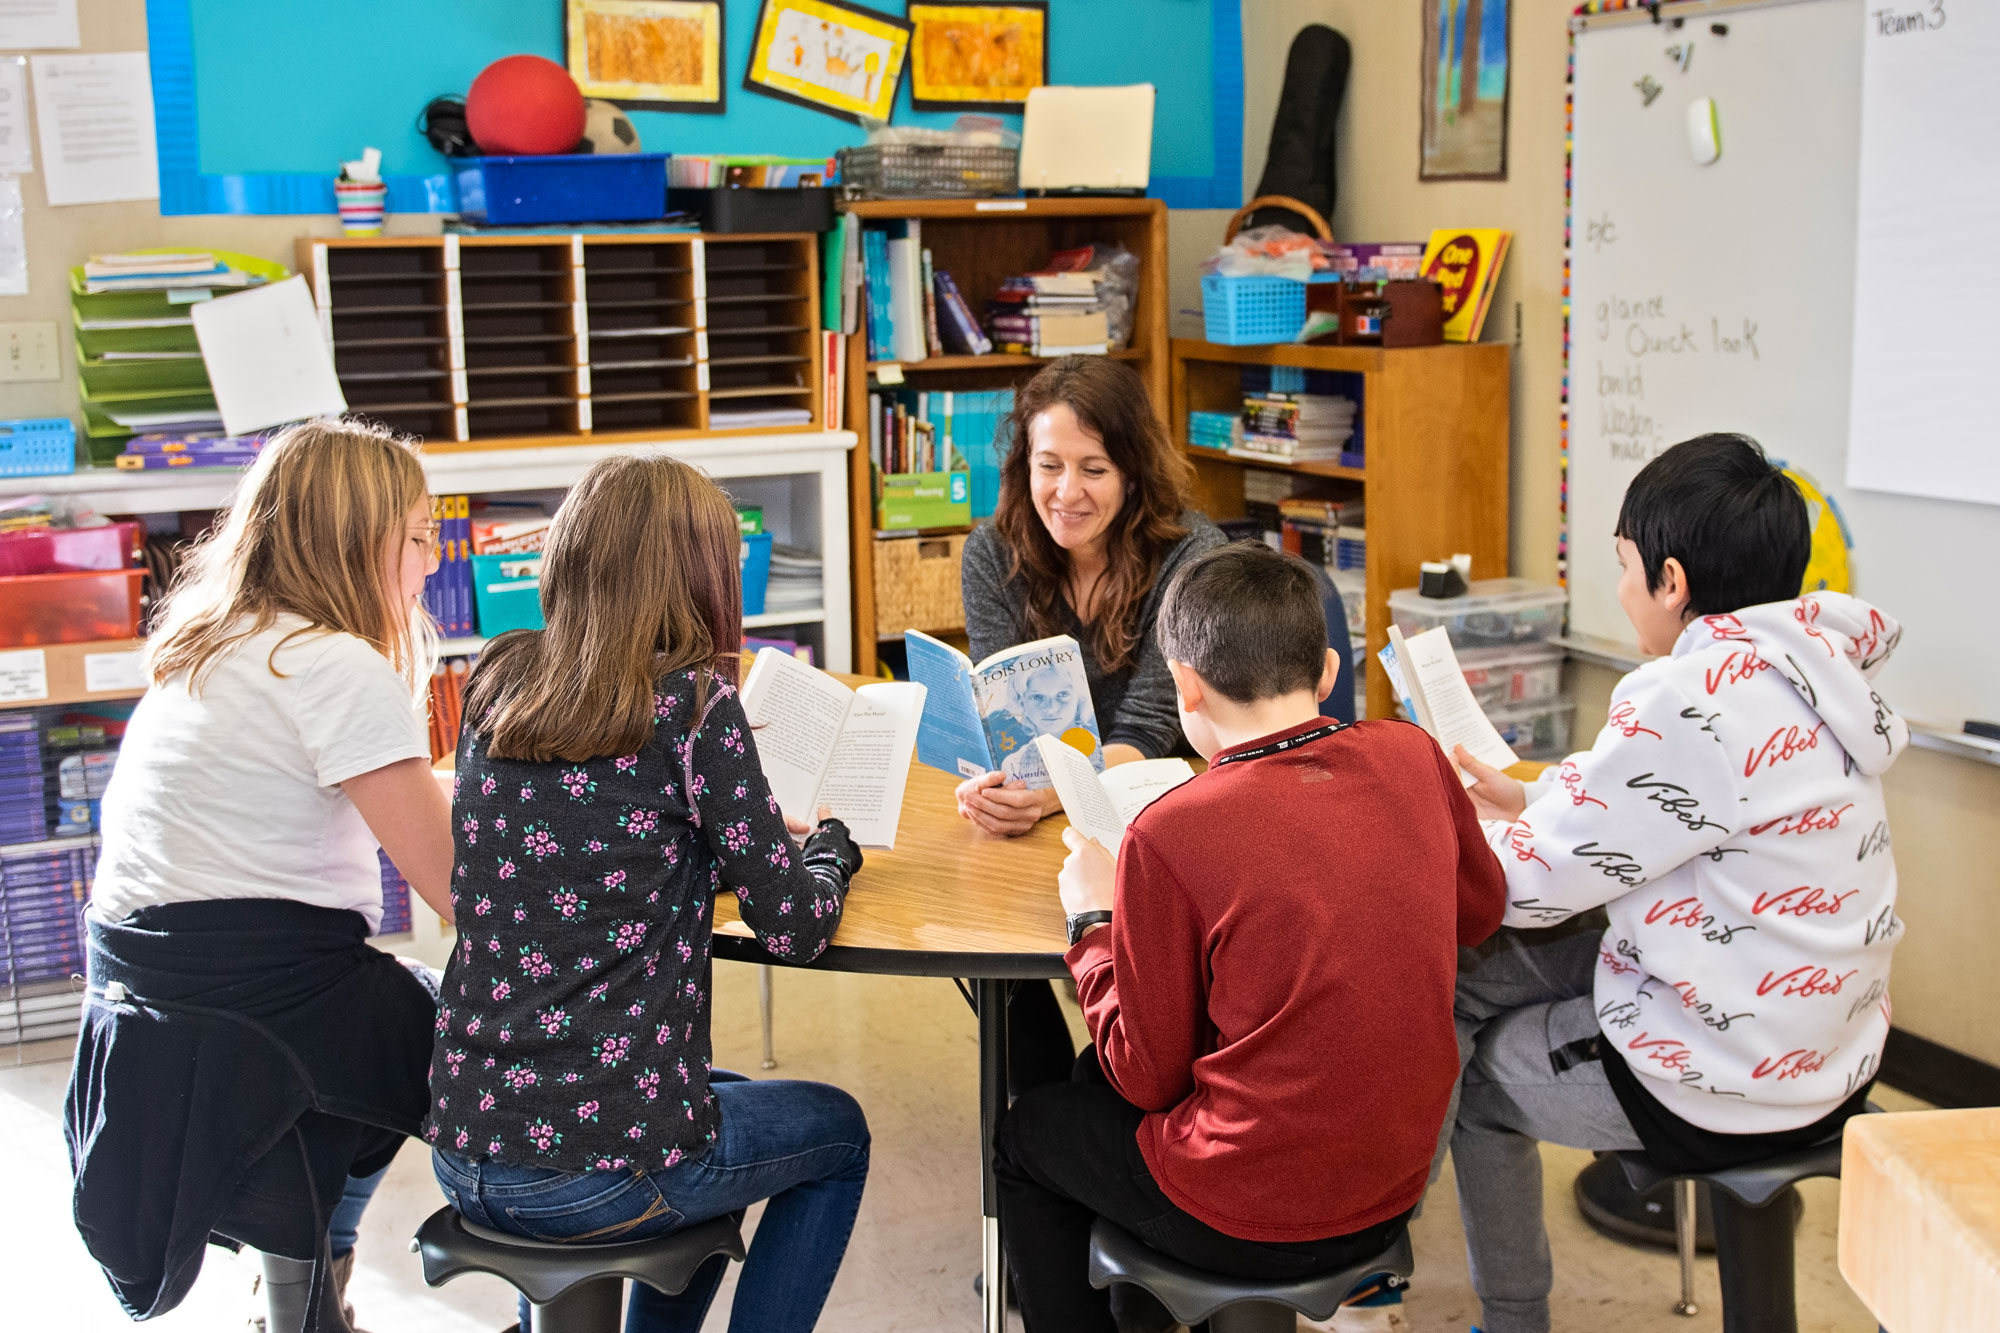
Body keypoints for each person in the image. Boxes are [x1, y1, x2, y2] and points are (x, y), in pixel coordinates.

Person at [1448, 434, 1907, 1333]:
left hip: (1729, 1075)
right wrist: (1535, 793)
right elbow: (1701, 802)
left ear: (1670, 578)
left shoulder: (1683, 695)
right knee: (1475, 986)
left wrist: (1440, 838)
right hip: (1833, 1037)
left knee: (1466, 1071)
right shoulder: (1807, 666)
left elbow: (1525, 888)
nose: (1620, 592)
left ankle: (1504, 1316)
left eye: (1622, 567)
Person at [992, 542, 1507, 1332]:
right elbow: (1481, 911)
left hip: (1248, 1210)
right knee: (1096, 1084)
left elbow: (1146, 1078)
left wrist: (1093, 921)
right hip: (1393, 1187)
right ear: (1328, 671)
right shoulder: (1414, 753)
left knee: (1028, 1134)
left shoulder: (1171, 830)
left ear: (1185, 685)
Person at [425, 454, 870, 1333]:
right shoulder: (693, 704)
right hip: (592, 1167)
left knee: (722, 1099)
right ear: (696, 579)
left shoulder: (496, 677)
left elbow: (591, 842)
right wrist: (827, 859)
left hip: (468, 1139)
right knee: (835, 1132)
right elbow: (792, 930)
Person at [67, 420, 455, 1332]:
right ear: (360, 540)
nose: (431, 562)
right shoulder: (332, 662)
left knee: (397, 1015)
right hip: (260, 998)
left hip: (145, 993)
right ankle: (563, 1254)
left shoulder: (213, 643)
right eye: (419, 535)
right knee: (479, 1031)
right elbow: (459, 889)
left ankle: (306, 1278)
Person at [956, 355, 1227, 1090]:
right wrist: (995, 782)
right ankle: (1048, 1102)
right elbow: (1001, 707)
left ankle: (1120, 1091)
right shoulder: (992, 553)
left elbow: (1150, 723)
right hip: (1040, 815)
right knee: (979, 937)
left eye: (1094, 469)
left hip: (1154, 806)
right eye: (1049, 465)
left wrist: (1049, 792)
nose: (1066, 493)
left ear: (1134, 472)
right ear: (1024, 465)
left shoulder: (1191, 557)